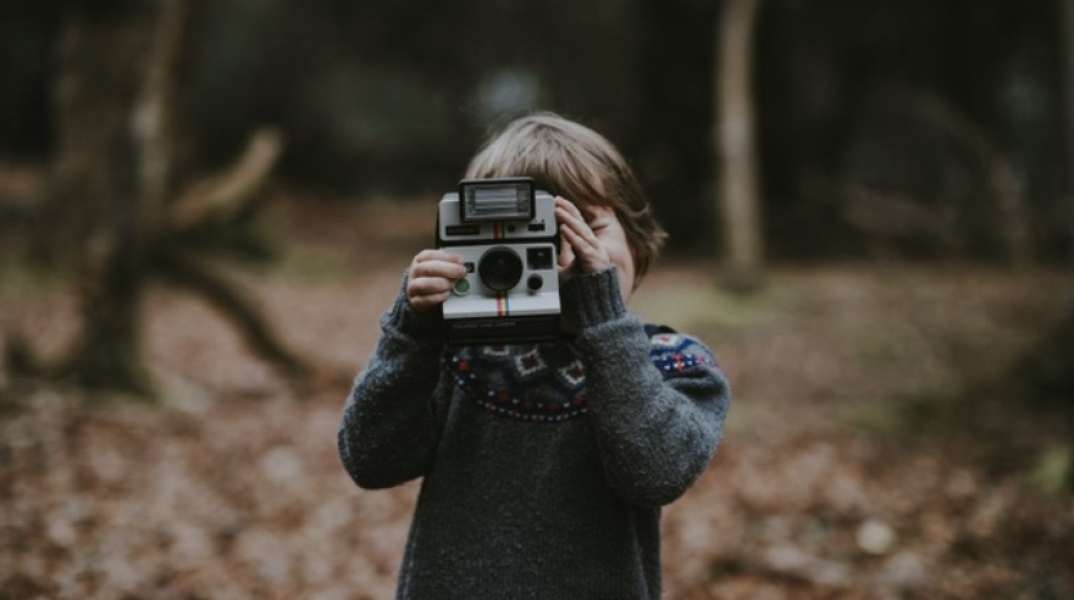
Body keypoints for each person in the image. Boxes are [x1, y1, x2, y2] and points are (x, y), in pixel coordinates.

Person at [337, 112, 730, 599]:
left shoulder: (674, 363)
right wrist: (413, 333)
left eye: (584, 227)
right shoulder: (459, 355)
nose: (562, 256)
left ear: (637, 238)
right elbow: (371, 460)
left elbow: (655, 473)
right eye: (532, 235)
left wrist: (603, 320)